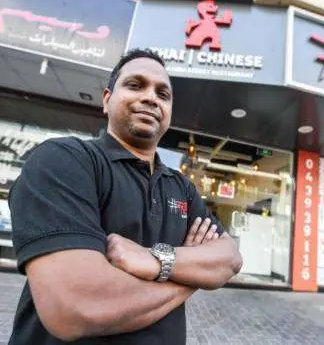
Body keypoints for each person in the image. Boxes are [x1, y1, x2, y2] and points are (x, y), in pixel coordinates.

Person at [8, 48, 243, 345]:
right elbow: (76, 306)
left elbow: (230, 258)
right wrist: (192, 277)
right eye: (135, 85)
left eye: (163, 93)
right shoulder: (65, 160)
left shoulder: (181, 187)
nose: (151, 97)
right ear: (107, 99)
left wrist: (157, 260)